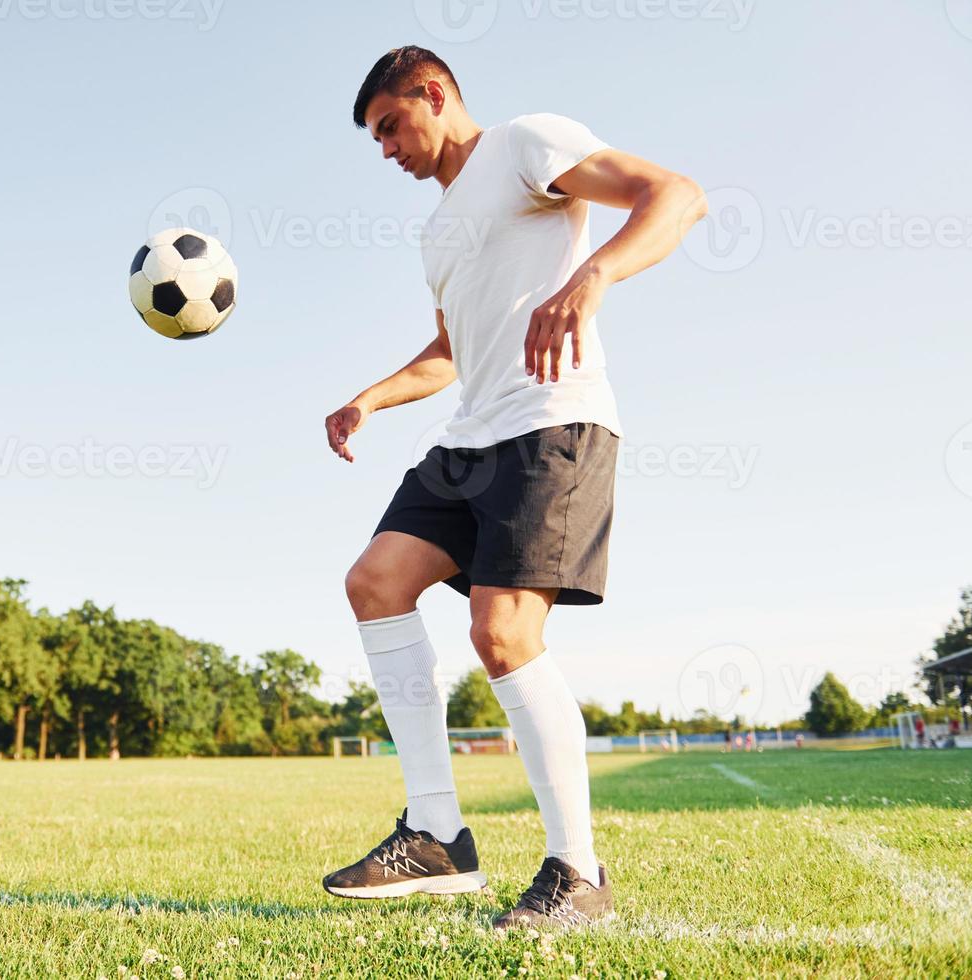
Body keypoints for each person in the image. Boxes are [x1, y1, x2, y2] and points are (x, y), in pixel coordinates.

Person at [321, 46, 706, 932]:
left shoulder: (528, 143)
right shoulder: (435, 233)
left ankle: (578, 873)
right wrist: (367, 401)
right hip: (470, 437)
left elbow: (676, 194)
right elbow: (452, 351)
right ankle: (436, 834)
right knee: (374, 583)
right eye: (375, 139)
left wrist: (593, 277)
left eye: (390, 126)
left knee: (501, 629)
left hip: (553, 420)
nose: (386, 150)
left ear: (434, 92)